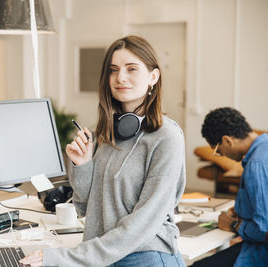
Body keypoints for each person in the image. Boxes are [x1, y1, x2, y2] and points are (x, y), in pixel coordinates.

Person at [20, 35, 186, 266]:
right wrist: (83, 165)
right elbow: (88, 207)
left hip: (146, 257)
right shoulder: (108, 132)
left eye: (132, 69)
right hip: (105, 255)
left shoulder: (167, 137)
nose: (121, 78)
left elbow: (143, 224)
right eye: (113, 70)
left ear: (153, 77)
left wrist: (66, 259)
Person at [191, 107, 268, 266]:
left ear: (227, 140)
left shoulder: (256, 164)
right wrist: (242, 210)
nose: (223, 156)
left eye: (218, 152)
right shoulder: (264, 146)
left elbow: (264, 230)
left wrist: (233, 225)